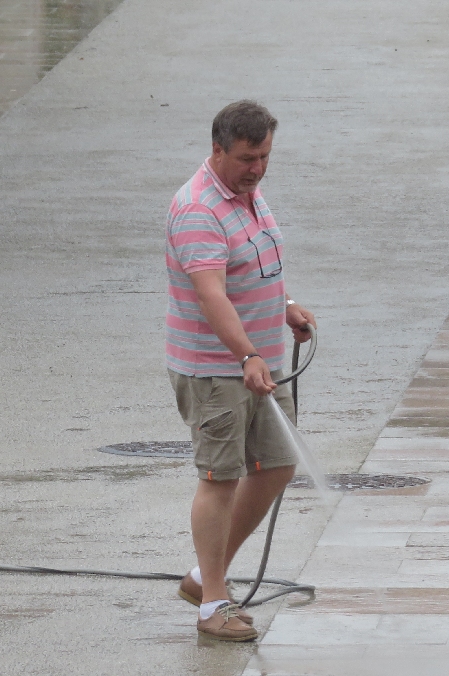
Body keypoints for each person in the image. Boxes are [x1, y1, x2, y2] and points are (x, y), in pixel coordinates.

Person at [166, 100, 316, 642]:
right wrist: (247, 355)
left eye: (265, 157)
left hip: (260, 361)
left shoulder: (246, 195)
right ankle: (212, 606)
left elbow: (251, 266)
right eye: (248, 158)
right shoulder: (199, 209)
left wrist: (285, 305)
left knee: (277, 464)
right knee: (220, 478)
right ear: (218, 149)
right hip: (215, 370)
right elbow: (211, 294)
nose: (257, 168)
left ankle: (204, 576)